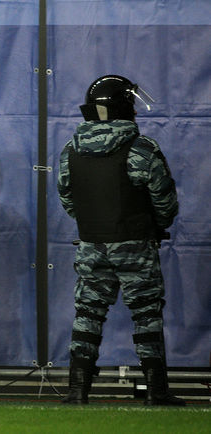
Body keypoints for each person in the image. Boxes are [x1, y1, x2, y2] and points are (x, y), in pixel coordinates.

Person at [57, 75, 183, 406]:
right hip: (136, 244)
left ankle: (77, 390)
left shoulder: (70, 151)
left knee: (87, 313)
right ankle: (156, 392)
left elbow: (68, 200)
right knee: (146, 315)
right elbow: (165, 201)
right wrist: (153, 226)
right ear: (125, 108)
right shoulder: (142, 150)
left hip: (91, 244)